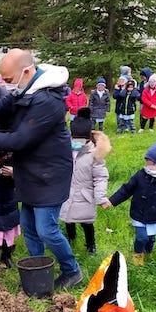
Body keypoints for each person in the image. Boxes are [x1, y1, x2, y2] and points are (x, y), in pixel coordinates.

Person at [0, 48, 83, 290]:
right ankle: (38, 268)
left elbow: (20, 139)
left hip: (49, 174)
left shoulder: (47, 101)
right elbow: (4, 106)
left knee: (46, 229)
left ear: (26, 71)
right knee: (29, 227)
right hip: (30, 170)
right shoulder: (27, 88)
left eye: (8, 79)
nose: (4, 84)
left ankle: (72, 270)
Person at [60, 107, 110, 254]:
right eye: (75, 139)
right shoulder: (66, 150)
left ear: (88, 138)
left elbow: (100, 177)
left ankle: (91, 244)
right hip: (67, 192)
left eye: (81, 140)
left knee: (86, 222)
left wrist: (100, 197)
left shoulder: (94, 155)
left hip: (85, 195)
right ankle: (71, 238)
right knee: (68, 218)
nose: (78, 143)